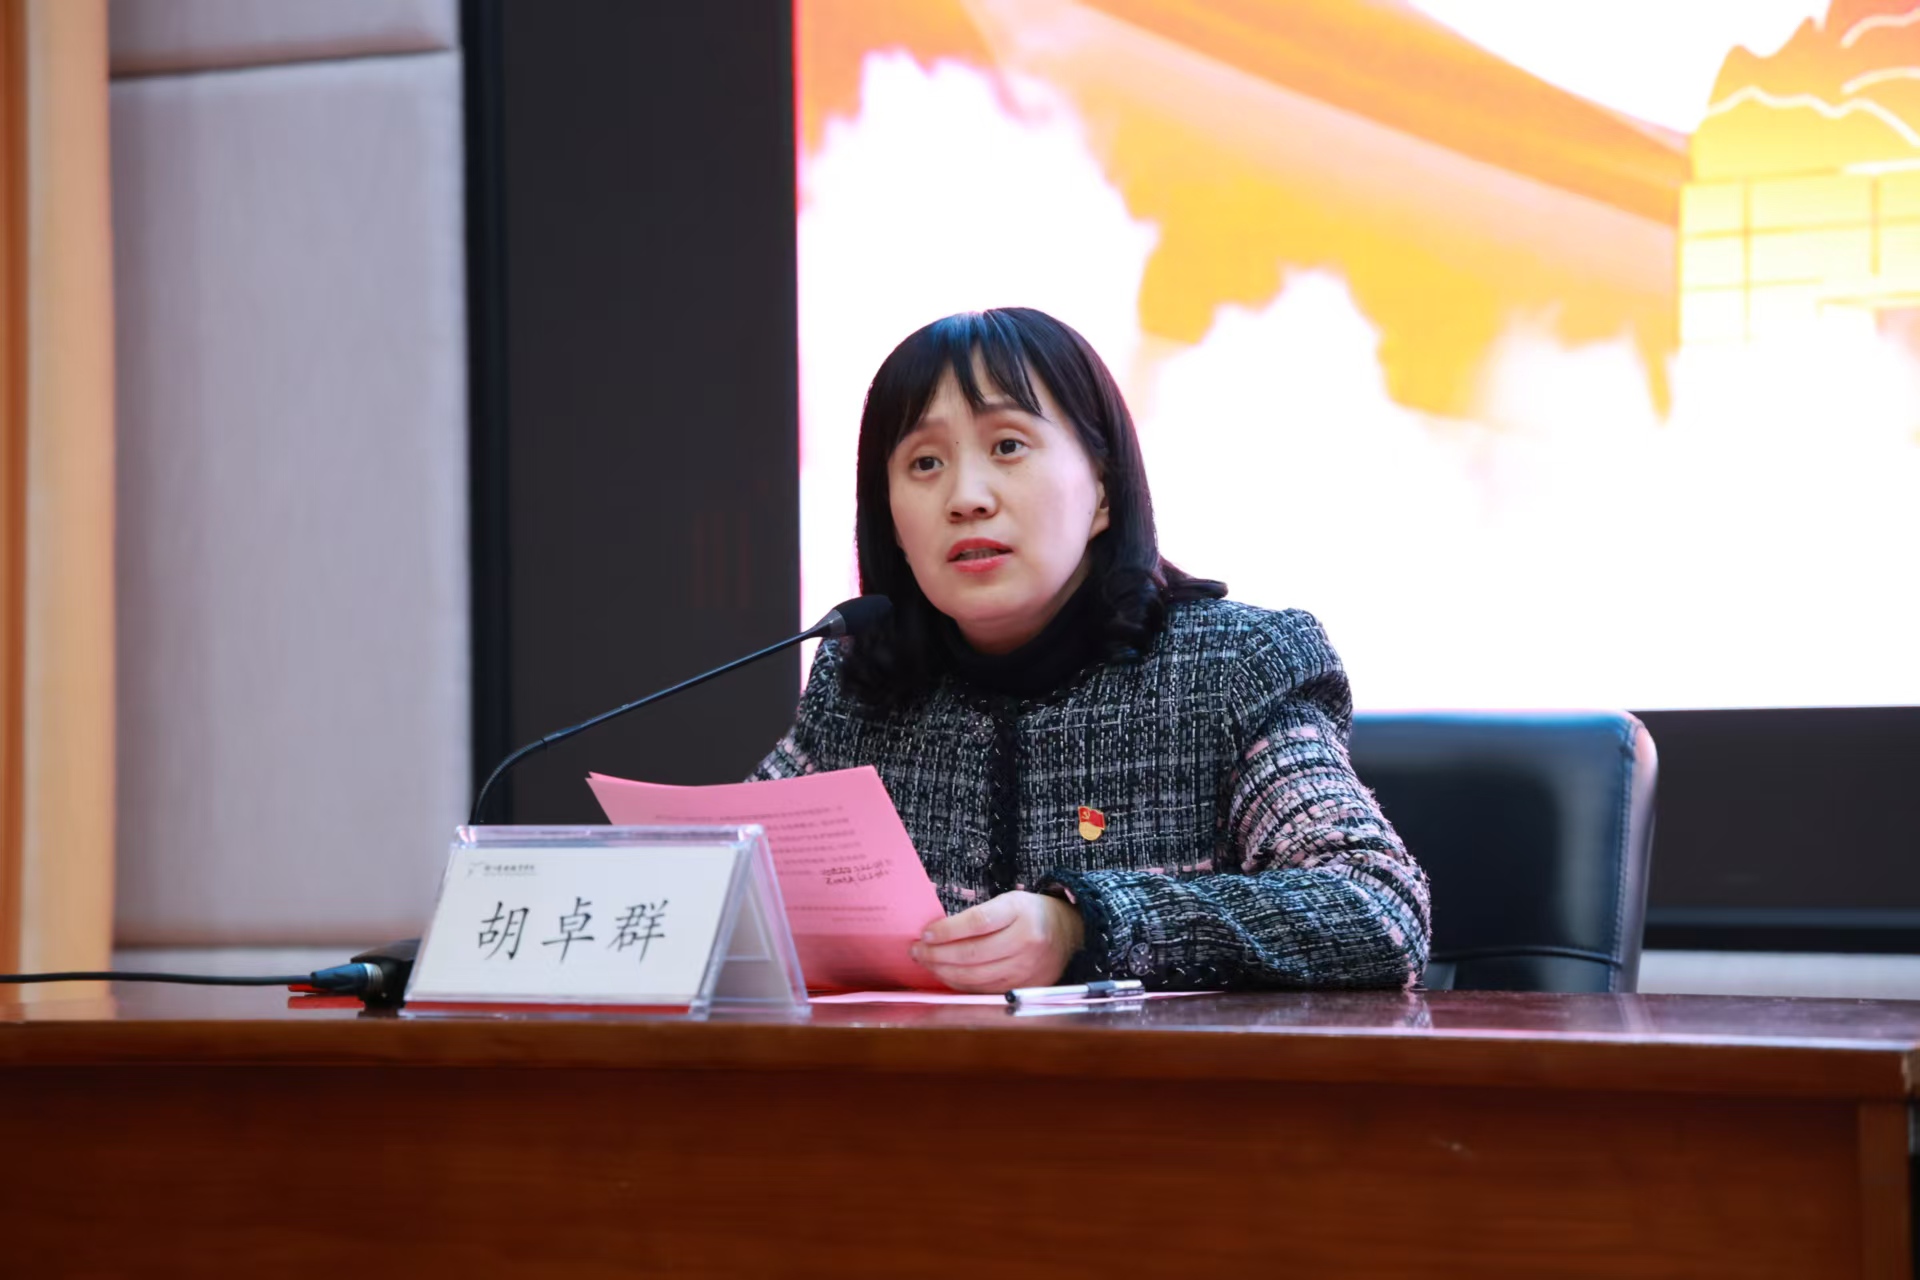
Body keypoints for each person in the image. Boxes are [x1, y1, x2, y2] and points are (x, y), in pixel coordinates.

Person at [752, 307, 1429, 993]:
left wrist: (1085, 928)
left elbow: (1377, 906)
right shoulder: (860, 685)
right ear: (891, 521)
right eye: (925, 462)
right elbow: (723, 884)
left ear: (1102, 489)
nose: (966, 498)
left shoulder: (1230, 668)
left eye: (1008, 446)